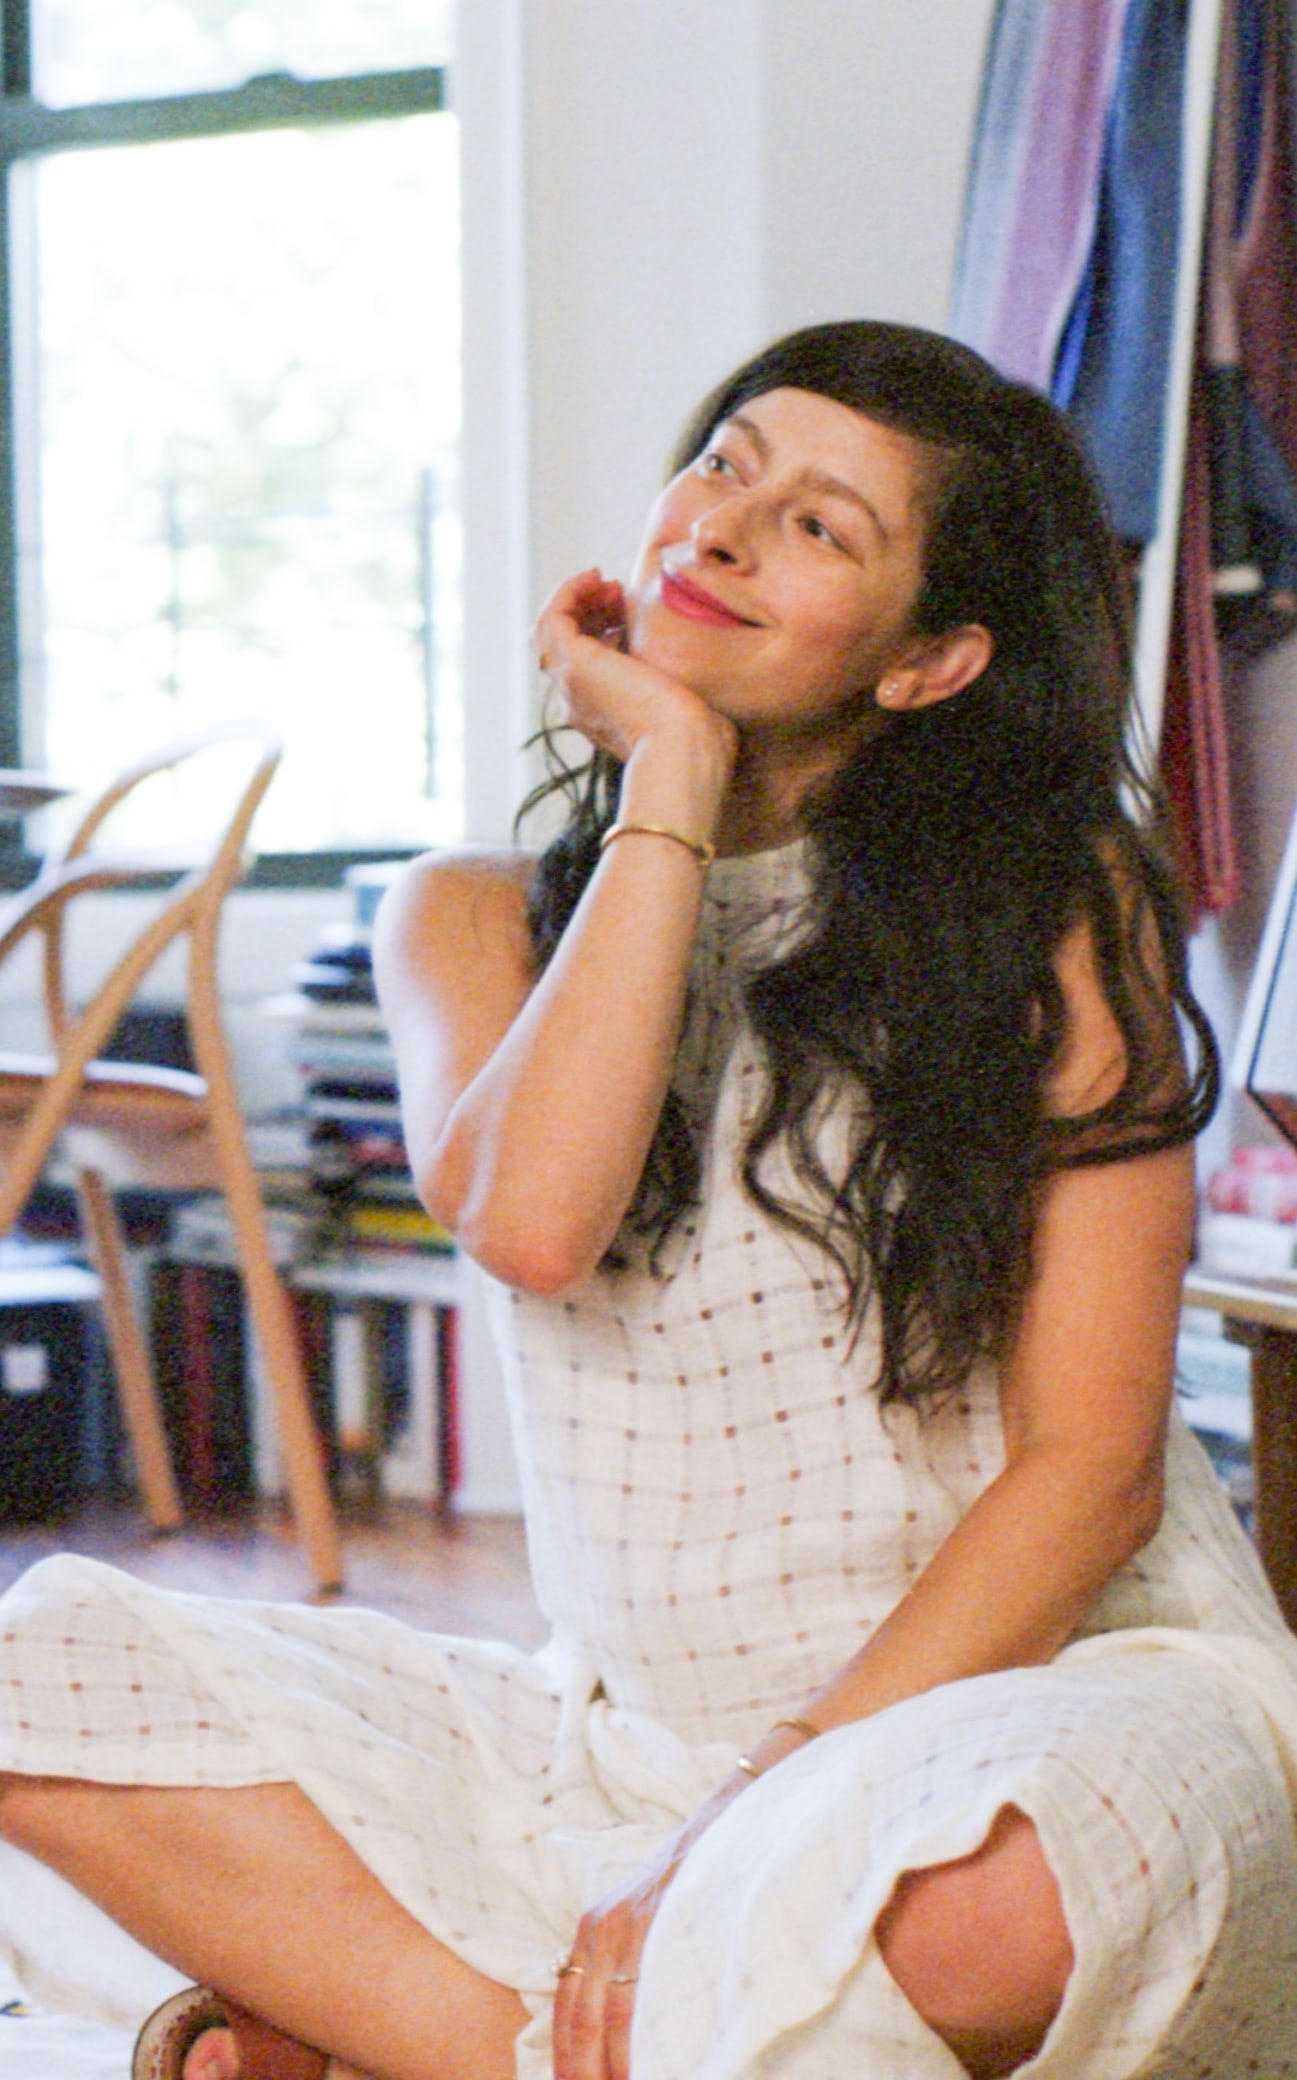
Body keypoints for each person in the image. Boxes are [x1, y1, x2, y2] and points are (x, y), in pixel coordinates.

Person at [1, 319, 1297, 2080]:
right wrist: (668, 785)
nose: (728, 524)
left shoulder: (1065, 914)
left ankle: (423, 2041)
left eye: (824, 527)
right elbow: (535, 1223)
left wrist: (770, 1799)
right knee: (31, 1669)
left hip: (1020, 1698)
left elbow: (1090, 1477)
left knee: (1012, 1897)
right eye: (727, 462)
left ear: (929, 666)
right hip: (613, 1744)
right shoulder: (463, 917)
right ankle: (571, 2043)